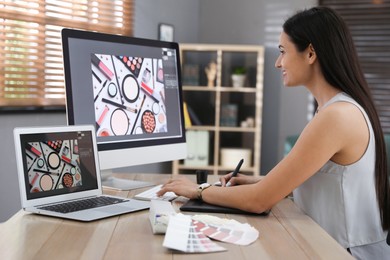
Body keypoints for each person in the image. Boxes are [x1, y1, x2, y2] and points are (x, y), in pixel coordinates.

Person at [157, 7, 390, 259]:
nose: (278, 63)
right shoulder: (338, 108)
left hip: (345, 253)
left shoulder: (337, 116)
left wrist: (198, 190)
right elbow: (326, 182)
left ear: (310, 52)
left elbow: (259, 201)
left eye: (282, 52)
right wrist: (260, 182)